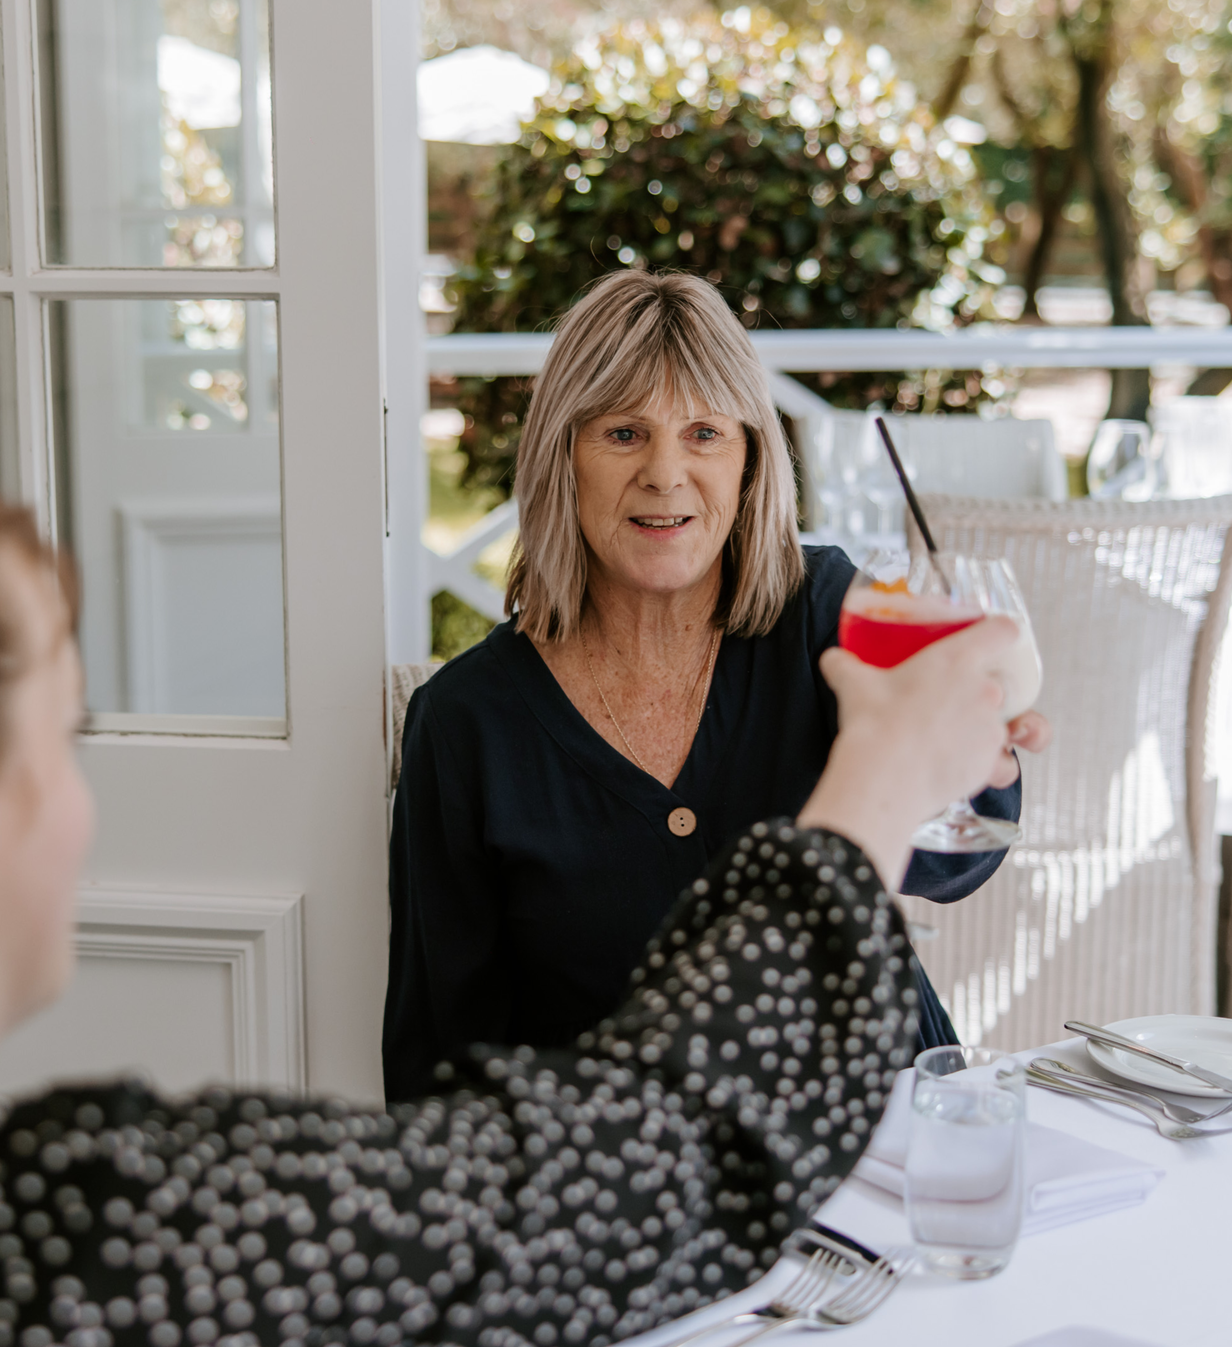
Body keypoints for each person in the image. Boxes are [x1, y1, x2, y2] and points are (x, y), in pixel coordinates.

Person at [0, 437, 1024, 1347]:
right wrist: (873, 779)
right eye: (54, 740)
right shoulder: (66, 1244)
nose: (78, 803)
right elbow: (646, 1173)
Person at [385, 271, 1049, 1102]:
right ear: (564, 456)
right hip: (636, 1182)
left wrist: (977, 768)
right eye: (624, 433)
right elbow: (439, 1060)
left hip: (888, 1125)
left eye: (704, 432)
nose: (667, 474)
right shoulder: (463, 725)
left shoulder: (830, 615)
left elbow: (946, 868)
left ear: (748, 460)